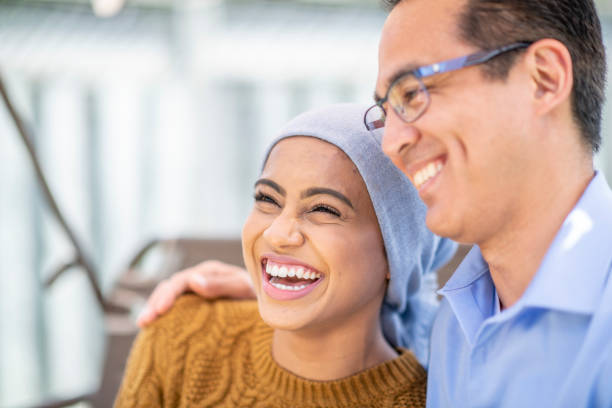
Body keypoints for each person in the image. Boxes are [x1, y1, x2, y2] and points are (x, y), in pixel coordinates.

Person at [140, 0, 612, 406]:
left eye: (414, 91)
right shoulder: (457, 328)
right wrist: (284, 300)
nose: (392, 143)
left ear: (544, 79)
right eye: (387, 109)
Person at [116, 104, 457, 407]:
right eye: (267, 199)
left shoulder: (432, 400)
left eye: (324, 208)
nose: (277, 233)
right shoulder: (183, 336)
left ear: (396, 252)